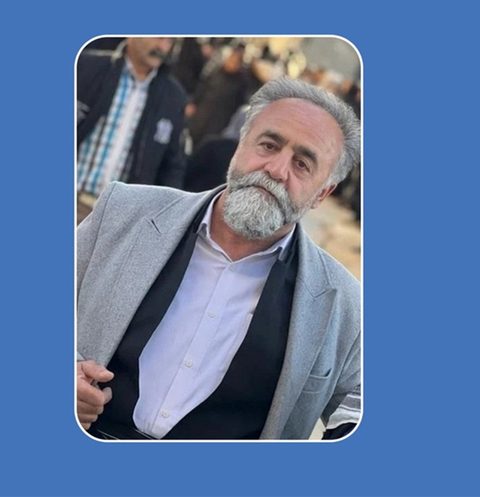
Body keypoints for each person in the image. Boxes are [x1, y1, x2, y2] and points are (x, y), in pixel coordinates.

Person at [76, 77, 362, 440]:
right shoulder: (124, 211)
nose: (276, 170)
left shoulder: (342, 302)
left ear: (323, 193)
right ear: (240, 144)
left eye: (303, 163)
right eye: (269, 145)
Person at [76, 37, 187, 197]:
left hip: (117, 209)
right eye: (159, 37)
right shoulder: (85, 67)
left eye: (170, 41)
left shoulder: (173, 97)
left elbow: (172, 165)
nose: (163, 47)